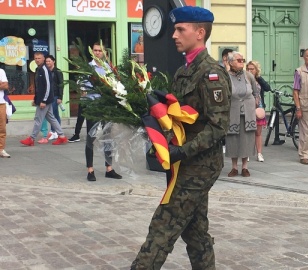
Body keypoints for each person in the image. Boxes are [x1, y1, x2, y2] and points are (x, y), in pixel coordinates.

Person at [131, 6, 231, 269]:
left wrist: (180, 151)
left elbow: (218, 126)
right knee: (194, 231)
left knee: (164, 224)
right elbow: (179, 119)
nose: (174, 35)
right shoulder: (183, 71)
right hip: (185, 161)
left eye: (180, 29)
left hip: (200, 164)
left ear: (199, 33)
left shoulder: (211, 73)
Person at [83, 42, 123, 182]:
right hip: (93, 106)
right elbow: (83, 87)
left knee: (108, 136)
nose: (98, 53)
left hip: (107, 106)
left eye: (100, 51)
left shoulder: (108, 68)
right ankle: (90, 170)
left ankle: (109, 168)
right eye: (95, 50)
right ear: (92, 52)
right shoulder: (88, 67)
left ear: (104, 53)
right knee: (91, 137)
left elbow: (114, 84)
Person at [20, 52, 68, 146]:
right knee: (51, 118)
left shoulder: (45, 70)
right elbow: (38, 87)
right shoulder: (38, 69)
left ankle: (31, 138)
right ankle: (62, 136)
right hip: (42, 99)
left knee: (38, 118)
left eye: (39, 58)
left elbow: (48, 86)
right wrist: (35, 99)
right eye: (36, 58)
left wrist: (44, 101)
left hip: (45, 100)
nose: (37, 60)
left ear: (43, 59)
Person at [225, 51, 257, 176]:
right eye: (239, 60)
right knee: (233, 138)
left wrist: (256, 106)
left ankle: (245, 167)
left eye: (242, 60)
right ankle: (234, 167)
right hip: (233, 111)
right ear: (231, 62)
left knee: (247, 139)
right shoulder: (226, 77)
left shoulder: (249, 76)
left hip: (247, 112)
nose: (241, 62)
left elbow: (255, 92)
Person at [247, 60, 271, 162]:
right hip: (248, 108)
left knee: (258, 132)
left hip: (259, 108)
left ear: (256, 70)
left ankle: (259, 154)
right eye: (248, 69)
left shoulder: (258, 80)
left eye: (252, 69)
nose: (249, 71)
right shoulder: (244, 79)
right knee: (247, 132)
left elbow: (267, 88)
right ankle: (247, 153)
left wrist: (258, 77)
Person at [39, 55, 65, 143]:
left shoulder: (57, 72)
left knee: (53, 113)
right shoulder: (46, 71)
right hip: (48, 95)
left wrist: (60, 97)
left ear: (53, 61)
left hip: (55, 95)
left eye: (49, 61)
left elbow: (61, 85)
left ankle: (54, 131)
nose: (48, 63)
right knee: (52, 114)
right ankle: (56, 131)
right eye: (46, 61)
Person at [0, 66, 9, 158]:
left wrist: (2, 85)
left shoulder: (1, 71)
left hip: (1, 103)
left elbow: (5, 86)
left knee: (2, 128)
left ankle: (1, 149)